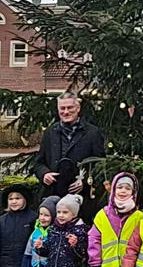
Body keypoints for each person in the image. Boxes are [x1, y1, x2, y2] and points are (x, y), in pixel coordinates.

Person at [32, 92, 106, 222]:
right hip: (53, 196)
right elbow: (39, 163)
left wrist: (84, 182)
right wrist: (44, 174)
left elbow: (100, 165)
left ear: (78, 108)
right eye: (62, 108)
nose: (66, 112)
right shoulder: (50, 132)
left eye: (70, 108)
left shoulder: (92, 133)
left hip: (81, 201)